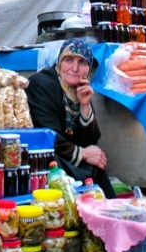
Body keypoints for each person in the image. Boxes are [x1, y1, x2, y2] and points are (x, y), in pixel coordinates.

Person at [25, 37, 116, 198]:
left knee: (95, 167)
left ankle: (107, 214)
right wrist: (82, 153)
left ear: (88, 69)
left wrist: (85, 106)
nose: (75, 68)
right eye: (69, 60)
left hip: (65, 154)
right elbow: (46, 133)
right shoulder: (42, 84)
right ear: (59, 63)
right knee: (82, 167)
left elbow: (90, 140)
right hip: (43, 155)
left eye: (82, 63)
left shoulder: (79, 87)